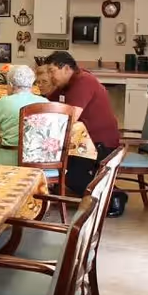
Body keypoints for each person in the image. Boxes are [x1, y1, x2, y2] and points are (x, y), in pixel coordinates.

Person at [43, 51, 121, 196]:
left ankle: (113, 198)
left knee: (71, 175)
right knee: (59, 162)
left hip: (99, 144)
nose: (50, 76)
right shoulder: (68, 83)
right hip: (84, 141)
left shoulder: (83, 82)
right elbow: (48, 104)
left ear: (66, 68)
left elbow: (70, 117)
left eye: (51, 71)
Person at [0, 65, 48, 166]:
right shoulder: (45, 102)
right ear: (31, 84)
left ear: (10, 84)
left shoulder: (4, 102)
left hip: (10, 160)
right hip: (40, 160)